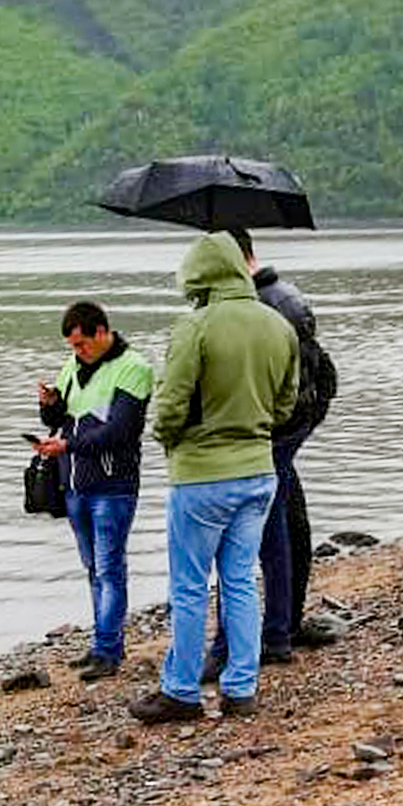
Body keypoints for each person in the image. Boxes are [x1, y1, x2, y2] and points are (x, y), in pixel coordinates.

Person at [130, 232, 298, 723]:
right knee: (241, 581)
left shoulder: (194, 328)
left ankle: (181, 690)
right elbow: (285, 404)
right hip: (258, 470)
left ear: (198, 276)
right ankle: (240, 688)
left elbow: (170, 406)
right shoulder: (278, 326)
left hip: (202, 475)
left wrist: (170, 441)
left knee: (188, 586)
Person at [203, 227, 336, 674]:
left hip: (266, 432)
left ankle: (256, 638)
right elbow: (321, 376)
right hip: (288, 427)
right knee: (287, 524)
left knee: (253, 534)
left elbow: (261, 377)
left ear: (234, 261)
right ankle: (282, 625)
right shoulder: (289, 297)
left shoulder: (261, 307)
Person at [35, 301, 154, 681]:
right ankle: (103, 645)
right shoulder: (72, 368)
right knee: (93, 568)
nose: (77, 351)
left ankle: (107, 651)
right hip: (75, 485)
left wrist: (68, 447)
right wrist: (50, 405)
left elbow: (120, 431)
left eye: (82, 344)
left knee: (110, 567)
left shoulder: (134, 368)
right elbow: (61, 421)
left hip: (113, 485)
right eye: (72, 346)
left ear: (102, 332)